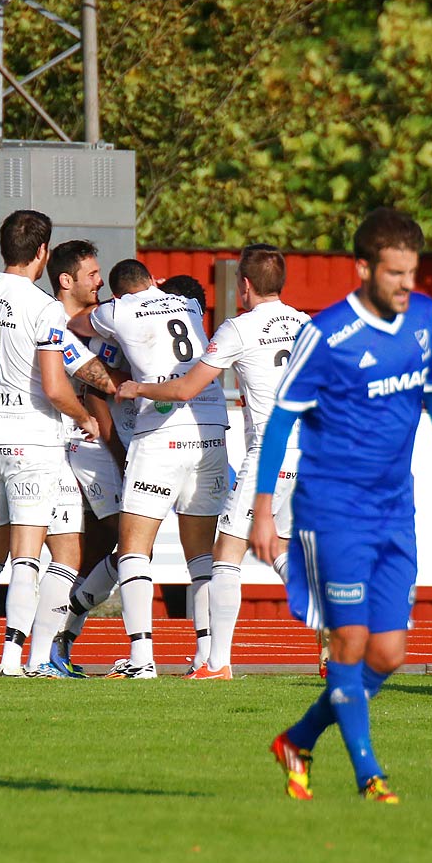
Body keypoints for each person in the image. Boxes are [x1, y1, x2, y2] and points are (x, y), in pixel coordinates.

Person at [252, 209, 432, 803]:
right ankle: (369, 774)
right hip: (333, 512)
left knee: (388, 653)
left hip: (395, 512)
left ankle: (297, 740)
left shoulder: (424, 318)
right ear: (363, 269)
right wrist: (264, 507)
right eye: (395, 273)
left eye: (412, 273)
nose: (406, 284)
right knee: (347, 644)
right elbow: (280, 421)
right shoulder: (325, 337)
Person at [118, 244, 306, 679]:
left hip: (269, 455)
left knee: (226, 555)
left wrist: (138, 390)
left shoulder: (238, 329)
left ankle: (217, 662)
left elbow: (186, 389)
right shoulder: (307, 325)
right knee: (279, 547)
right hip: (312, 453)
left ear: (243, 285)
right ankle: (334, 628)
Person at [0, 211, 102, 677]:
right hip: (31, 442)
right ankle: (14, 657)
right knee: (28, 555)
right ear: (42, 253)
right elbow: (54, 388)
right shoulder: (44, 307)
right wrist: (85, 416)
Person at [88, 259, 231, 678]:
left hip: (161, 431)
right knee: (201, 554)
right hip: (209, 428)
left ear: (118, 293)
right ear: (153, 280)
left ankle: (141, 658)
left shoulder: (114, 311)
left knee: (133, 547)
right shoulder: (187, 302)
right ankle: (207, 657)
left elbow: (84, 323)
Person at [28, 239, 123, 678]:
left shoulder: (98, 323)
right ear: (66, 281)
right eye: (91, 275)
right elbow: (96, 385)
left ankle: (56, 639)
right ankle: (47, 643)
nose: (99, 281)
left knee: (101, 545)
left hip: (89, 443)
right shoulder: (51, 322)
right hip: (79, 445)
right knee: (121, 538)